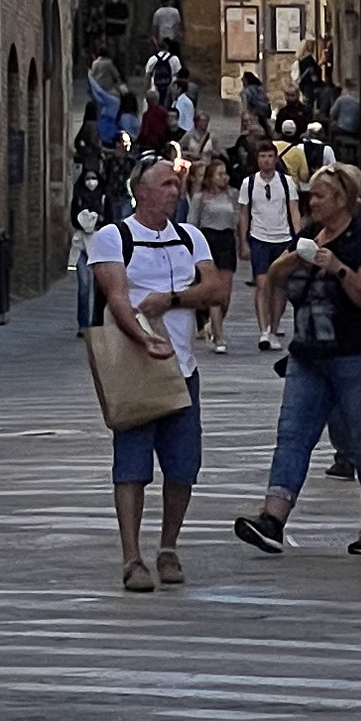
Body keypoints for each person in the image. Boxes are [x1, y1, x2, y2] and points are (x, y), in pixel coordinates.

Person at [231, 161, 361, 558]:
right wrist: (294, 259)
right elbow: (274, 276)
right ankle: (272, 520)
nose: (311, 200)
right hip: (307, 355)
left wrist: (336, 265)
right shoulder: (310, 232)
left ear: (342, 199)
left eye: (320, 194)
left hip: (358, 353)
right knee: (292, 436)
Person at [87, 150, 215, 590]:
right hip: (135, 366)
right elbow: (117, 295)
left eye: (176, 185)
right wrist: (143, 337)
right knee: (132, 466)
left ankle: (168, 548)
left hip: (183, 366)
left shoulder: (191, 237)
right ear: (140, 191)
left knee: (183, 467)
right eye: (165, 184)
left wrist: (172, 300)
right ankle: (131, 557)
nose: (175, 191)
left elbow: (214, 288)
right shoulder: (112, 237)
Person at [243, 138, 300, 353]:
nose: (266, 160)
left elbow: (293, 209)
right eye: (262, 157)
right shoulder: (248, 184)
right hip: (259, 237)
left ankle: (275, 328)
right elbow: (244, 213)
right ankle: (263, 331)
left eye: (269, 156)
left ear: (276, 159)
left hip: (283, 238)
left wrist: (297, 237)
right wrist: (244, 241)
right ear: (257, 160)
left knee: (280, 285)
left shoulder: (286, 183)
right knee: (262, 283)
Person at [187, 132, 241, 352]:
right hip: (208, 241)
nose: (224, 178)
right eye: (220, 174)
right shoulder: (200, 198)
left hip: (226, 242)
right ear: (211, 177)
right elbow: (192, 223)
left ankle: (211, 324)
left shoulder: (233, 196)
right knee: (214, 293)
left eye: (225, 174)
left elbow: (238, 220)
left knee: (225, 294)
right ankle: (219, 338)